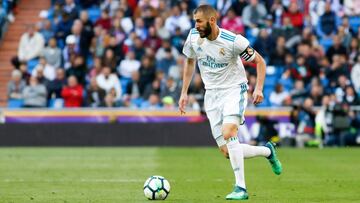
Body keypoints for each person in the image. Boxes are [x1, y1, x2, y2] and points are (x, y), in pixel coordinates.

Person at [178, 5, 282, 200]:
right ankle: (268, 151)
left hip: (235, 90)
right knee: (227, 151)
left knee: (229, 133)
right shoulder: (193, 37)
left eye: (199, 21)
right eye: (195, 21)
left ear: (212, 20)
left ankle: (241, 188)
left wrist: (258, 88)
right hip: (212, 95)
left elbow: (260, 61)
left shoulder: (233, 41)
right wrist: (184, 92)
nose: (196, 25)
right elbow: (190, 62)